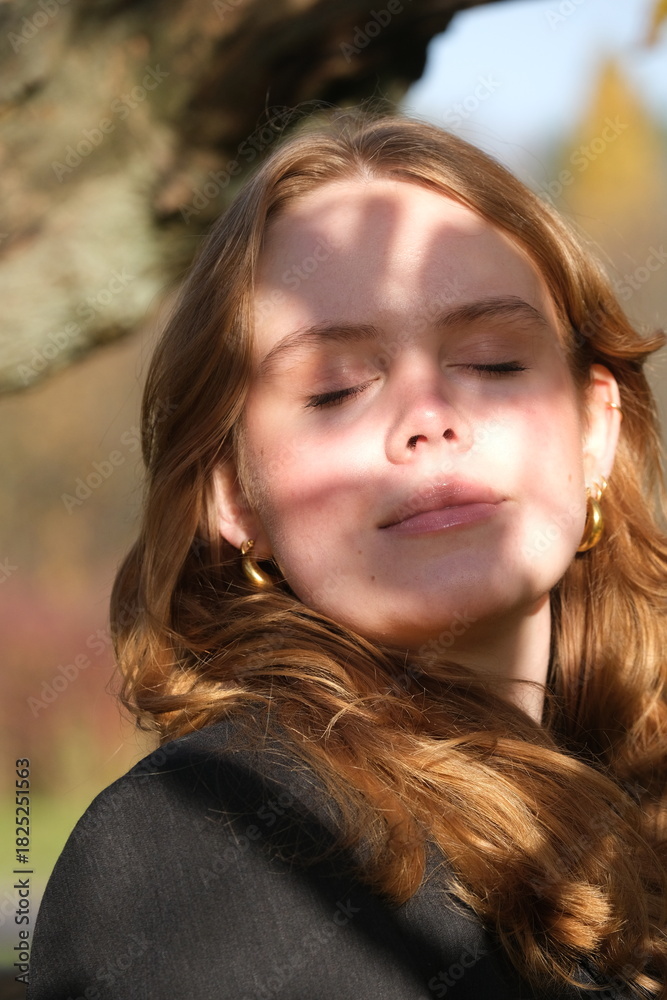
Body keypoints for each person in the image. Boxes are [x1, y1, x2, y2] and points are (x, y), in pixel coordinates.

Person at [28, 108, 667, 999]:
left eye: (491, 361)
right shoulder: (208, 844)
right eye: (335, 390)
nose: (428, 417)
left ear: (594, 428)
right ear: (233, 496)